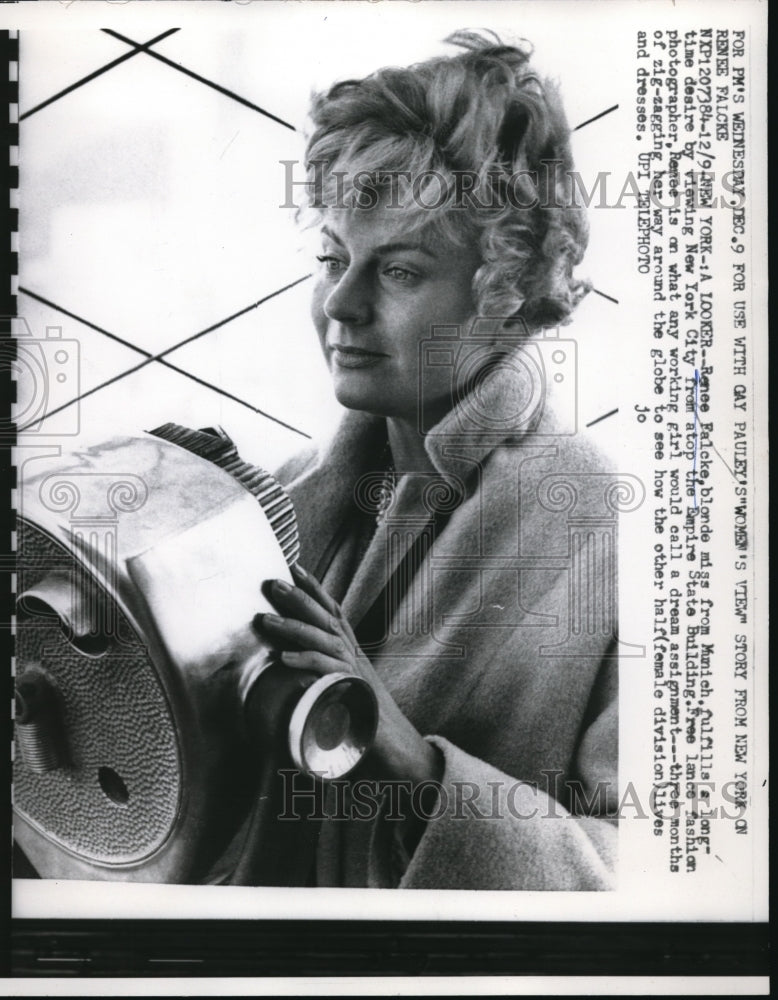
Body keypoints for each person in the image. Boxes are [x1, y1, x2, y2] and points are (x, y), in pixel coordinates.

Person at [256, 30, 618, 889]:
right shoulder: (278, 498)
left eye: (399, 272)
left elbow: (663, 883)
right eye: (332, 258)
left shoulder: (605, 525)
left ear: (506, 291)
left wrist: (412, 763)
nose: (341, 304)